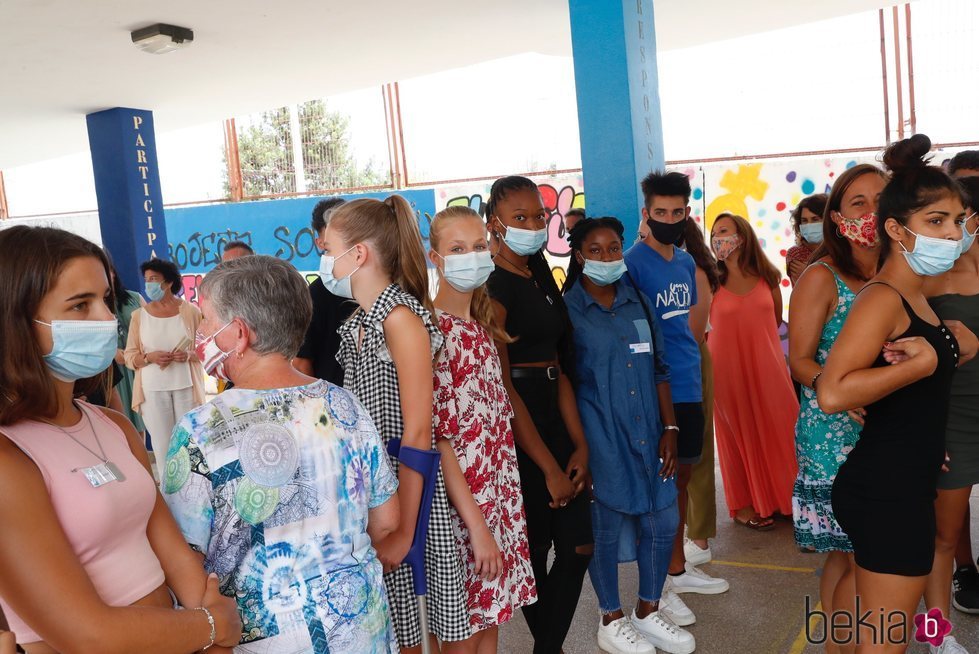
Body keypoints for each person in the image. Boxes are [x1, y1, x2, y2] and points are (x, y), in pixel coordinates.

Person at [0, 225, 241, 653]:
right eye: (80, 305)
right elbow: (86, 633)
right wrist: (209, 628)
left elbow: (171, 551)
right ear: (16, 321)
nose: (106, 319)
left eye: (105, 300)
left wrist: (211, 627)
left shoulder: (113, 425)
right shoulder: (9, 456)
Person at [163, 255, 400, 652]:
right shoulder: (345, 405)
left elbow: (182, 561)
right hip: (362, 631)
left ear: (239, 333)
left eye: (205, 319)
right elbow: (386, 522)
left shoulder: (200, 430)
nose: (200, 331)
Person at [819, 134, 977, 652]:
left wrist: (949, 349)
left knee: (861, 628)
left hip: (897, 478)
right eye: (936, 222)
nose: (952, 233)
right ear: (895, 229)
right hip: (889, 493)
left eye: (957, 220)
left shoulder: (916, 292)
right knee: (884, 643)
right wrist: (922, 365)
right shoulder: (883, 298)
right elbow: (833, 391)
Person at [327, 195, 470, 652]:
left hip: (409, 503)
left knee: (419, 631)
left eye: (329, 249)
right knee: (391, 631)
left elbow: (418, 434)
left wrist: (405, 530)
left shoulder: (402, 320)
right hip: (372, 498)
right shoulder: (358, 324)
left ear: (359, 254)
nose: (326, 261)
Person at [565, 217, 695, 654]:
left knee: (664, 520)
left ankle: (648, 608)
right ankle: (611, 616)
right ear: (580, 256)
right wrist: (580, 445)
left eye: (614, 248)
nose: (607, 257)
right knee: (604, 527)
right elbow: (564, 383)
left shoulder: (637, 300)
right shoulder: (569, 312)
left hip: (651, 433)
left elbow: (660, 368)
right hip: (602, 436)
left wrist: (671, 427)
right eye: (596, 250)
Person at [485, 176, 592, 654]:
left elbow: (558, 366)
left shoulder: (542, 272)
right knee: (534, 553)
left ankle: (546, 648)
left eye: (538, 217)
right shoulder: (492, 287)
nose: (532, 226)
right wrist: (548, 467)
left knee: (578, 549)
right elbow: (505, 387)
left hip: (557, 416)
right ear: (496, 224)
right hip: (521, 432)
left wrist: (580, 444)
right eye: (520, 218)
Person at [429, 206, 537, 653]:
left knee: (492, 622)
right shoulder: (432, 331)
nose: (470, 257)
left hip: (498, 503)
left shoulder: (480, 326)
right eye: (457, 249)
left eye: (477, 247)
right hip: (464, 514)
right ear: (435, 258)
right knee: (463, 633)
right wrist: (477, 527)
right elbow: (441, 440)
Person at [787, 164, 886, 652]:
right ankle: (841, 645)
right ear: (836, 217)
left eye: (880, 199)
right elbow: (799, 360)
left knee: (866, 555)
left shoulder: (897, 273)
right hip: (835, 433)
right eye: (858, 202)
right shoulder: (820, 277)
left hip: (889, 431)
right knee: (851, 554)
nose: (871, 211)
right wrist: (839, 390)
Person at [624, 171, 728, 614]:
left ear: (687, 214)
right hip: (655, 390)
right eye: (660, 212)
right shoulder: (630, 263)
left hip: (689, 382)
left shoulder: (686, 263)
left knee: (683, 478)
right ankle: (656, 587)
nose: (669, 219)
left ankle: (677, 569)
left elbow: (687, 329)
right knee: (659, 487)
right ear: (646, 214)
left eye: (677, 212)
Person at [709, 212, 798, 530]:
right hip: (726, 371)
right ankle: (746, 505)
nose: (719, 237)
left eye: (725, 231)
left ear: (742, 237)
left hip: (769, 365)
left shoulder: (767, 276)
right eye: (715, 232)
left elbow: (775, 320)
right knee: (739, 436)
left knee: (782, 427)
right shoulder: (710, 281)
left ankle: (788, 501)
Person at [923, 176, 979, 633]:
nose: (955, 230)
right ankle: (937, 634)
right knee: (944, 537)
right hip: (953, 416)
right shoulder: (930, 273)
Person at [124, 259, 205, 481]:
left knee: (189, 442)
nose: (149, 285)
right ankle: (170, 496)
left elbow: (206, 348)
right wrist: (149, 357)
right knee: (162, 445)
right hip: (152, 389)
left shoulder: (191, 312)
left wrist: (187, 355)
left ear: (168, 282)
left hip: (186, 386)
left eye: (154, 280)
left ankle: (195, 489)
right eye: (147, 280)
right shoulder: (139, 316)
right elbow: (130, 356)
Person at [675, 218, 721, 569]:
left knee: (698, 451)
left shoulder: (696, 274)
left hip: (689, 361)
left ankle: (700, 537)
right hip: (671, 365)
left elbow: (693, 333)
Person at [294, 197, 356, 385]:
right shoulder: (312, 296)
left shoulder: (373, 291)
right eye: (330, 245)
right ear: (320, 243)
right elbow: (301, 362)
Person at [108, 260, 147, 433]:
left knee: (141, 419)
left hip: (138, 366)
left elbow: (149, 329)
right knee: (120, 424)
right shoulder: (95, 305)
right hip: (114, 372)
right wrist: (112, 353)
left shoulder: (134, 298)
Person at [785, 194, 829, 286]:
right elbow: (806, 291)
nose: (809, 225)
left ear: (828, 220)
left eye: (815, 219)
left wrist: (808, 272)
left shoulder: (843, 250)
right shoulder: (797, 254)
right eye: (804, 221)